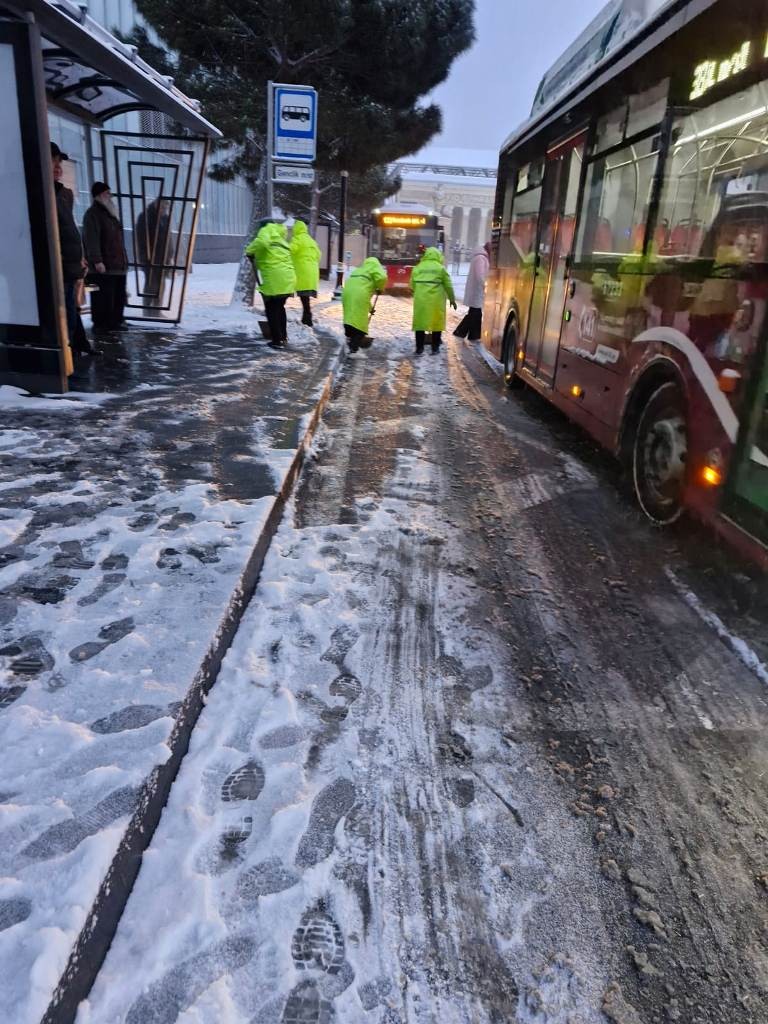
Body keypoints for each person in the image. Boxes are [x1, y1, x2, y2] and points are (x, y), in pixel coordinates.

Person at [51, 142, 92, 355]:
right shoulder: (45, 192)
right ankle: (67, 354)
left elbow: (69, 229)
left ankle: (74, 349)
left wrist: (80, 257)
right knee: (65, 312)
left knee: (71, 310)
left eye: (59, 164)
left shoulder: (63, 194)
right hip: (59, 266)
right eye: (54, 162)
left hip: (70, 265)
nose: (58, 168)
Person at [82, 181, 128, 332]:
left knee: (117, 295)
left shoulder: (110, 214)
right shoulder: (93, 214)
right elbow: (91, 239)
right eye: (107, 194)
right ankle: (102, 323)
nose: (110, 197)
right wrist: (97, 260)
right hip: (104, 265)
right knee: (103, 297)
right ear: (100, 195)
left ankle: (115, 321)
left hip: (116, 263)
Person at [244, 221, 296, 349]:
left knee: (271, 309)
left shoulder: (267, 230)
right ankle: (283, 336)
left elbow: (261, 242)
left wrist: (249, 251)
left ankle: (277, 340)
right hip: (288, 278)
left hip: (275, 277)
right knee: (279, 307)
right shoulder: (281, 240)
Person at [411, 246, 456, 355]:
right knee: (436, 323)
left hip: (421, 301)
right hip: (436, 302)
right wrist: (452, 299)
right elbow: (448, 285)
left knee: (420, 324)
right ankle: (435, 348)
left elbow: (411, 285)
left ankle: (419, 348)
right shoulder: (440, 269)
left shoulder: (418, 268)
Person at [341, 257, 387, 352]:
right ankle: (353, 349)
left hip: (346, 293)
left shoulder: (360, 270)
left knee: (350, 317)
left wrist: (370, 309)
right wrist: (380, 288)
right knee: (360, 325)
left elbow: (362, 298)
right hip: (360, 295)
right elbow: (382, 277)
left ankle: (349, 338)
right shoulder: (374, 267)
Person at [135, 197, 171, 312]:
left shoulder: (165, 218)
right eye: (162, 207)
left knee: (161, 284)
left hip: (162, 257)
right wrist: (145, 257)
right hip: (149, 257)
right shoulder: (145, 217)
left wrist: (170, 254)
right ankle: (147, 310)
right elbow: (141, 239)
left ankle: (157, 310)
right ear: (156, 204)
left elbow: (168, 238)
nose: (164, 210)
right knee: (151, 284)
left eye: (166, 207)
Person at [454, 241, 490, 341]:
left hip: (476, 290)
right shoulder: (481, 258)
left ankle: (471, 334)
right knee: (475, 313)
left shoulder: (481, 258)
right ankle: (463, 332)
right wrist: (485, 286)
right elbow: (480, 275)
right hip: (477, 290)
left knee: (475, 312)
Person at [290, 220, 321, 327]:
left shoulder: (297, 239)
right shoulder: (311, 241)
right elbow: (319, 255)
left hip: (302, 271)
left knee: (304, 297)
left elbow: (291, 250)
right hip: (313, 272)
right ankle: (306, 318)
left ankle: (307, 319)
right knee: (305, 298)